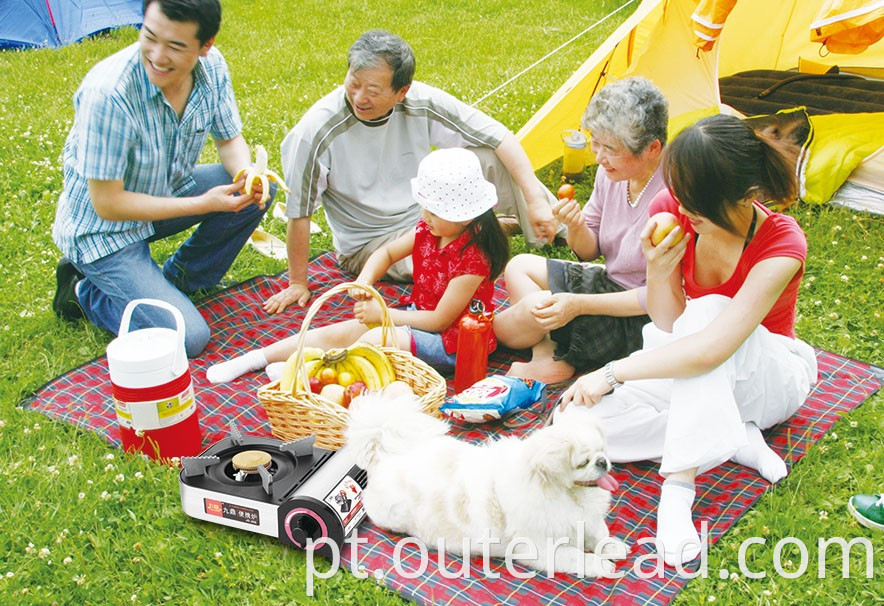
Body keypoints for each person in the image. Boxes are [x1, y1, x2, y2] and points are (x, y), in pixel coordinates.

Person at [555, 114, 818, 566]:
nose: (680, 204)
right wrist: (659, 269)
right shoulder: (673, 209)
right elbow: (669, 321)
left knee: (709, 310)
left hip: (771, 375)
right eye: (678, 190)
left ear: (743, 195)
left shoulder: (781, 242)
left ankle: (677, 490)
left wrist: (612, 372)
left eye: (694, 198)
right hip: (700, 365)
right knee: (576, 423)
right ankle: (732, 436)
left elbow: (711, 347)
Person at [264, 29, 558, 315]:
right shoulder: (313, 132)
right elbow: (299, 212)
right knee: (453, 268)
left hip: (429, 209)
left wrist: (534, 200)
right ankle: (483, 230)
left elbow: (498, 136)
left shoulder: (421, 101)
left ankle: (559, 228)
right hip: (374, 240)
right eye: (354, 83)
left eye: (373, 90)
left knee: (492, 157)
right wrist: (297, 283)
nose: (359, 97)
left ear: (402, 91)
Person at [51, 0, 270, 357]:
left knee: (260, 190)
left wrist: (247, 175)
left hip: (165, 195)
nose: (157, 55)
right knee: (188, 338)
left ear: (205, 45)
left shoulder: (212, 68)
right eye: (149, 37)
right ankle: (82, 291)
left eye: (176, 46)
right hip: (103, 233)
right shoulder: (108, 93)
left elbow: (229, 139)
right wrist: (204, 203)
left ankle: (180, 282)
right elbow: (107, 204)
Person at [207, 148, 508, 384]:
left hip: (453, 343)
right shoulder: (432, 228)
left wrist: (384, 314)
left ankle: (306, 371)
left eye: (435, 211)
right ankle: (254, 358)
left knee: (373, 338)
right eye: (425, 207)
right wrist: (365, 280)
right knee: (343, 330)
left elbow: (441, 321)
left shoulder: (474, 258)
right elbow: (387, 253)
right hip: (418, 318)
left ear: (467, 215)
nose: (426, 215)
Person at [493, 77, 668, 383]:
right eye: (595, 143)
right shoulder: (611, 174)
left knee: (531, 310)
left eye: (610, 148)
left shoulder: (673, 198)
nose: (598, 157)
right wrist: (576, 226)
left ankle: (466, 339)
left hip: (641, 317)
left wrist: (578, 305)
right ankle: (547, 354)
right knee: (520, 266)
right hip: (611, 284)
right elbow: (589, 251)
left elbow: (659, 298)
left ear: (652, 148)